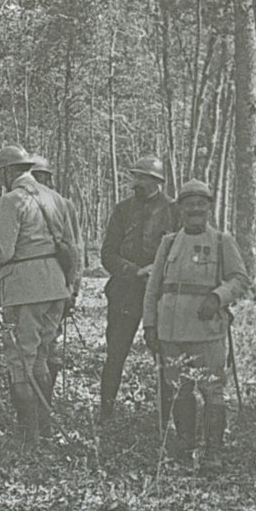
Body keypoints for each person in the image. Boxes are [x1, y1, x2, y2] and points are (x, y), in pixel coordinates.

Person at [142, 180, 250, 474]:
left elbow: (240, 279)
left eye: (201, 203)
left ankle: (213, 452)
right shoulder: (168, 242)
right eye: (189, 203)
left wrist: (217, 297)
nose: (195, 208)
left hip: (206, 331)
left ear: (209, 207)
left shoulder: (221, 241)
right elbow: (154, 288)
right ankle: (185, 446)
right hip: (171, 330)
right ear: (180, 208)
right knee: (178, 390)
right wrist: (150, 325)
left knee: (213, 390)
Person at [0, 143, 71, 445]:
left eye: (0, 174)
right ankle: (43, 427)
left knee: (21, 361)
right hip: (56, 286)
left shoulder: (10, 201)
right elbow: (72, 247)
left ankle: (28, 433)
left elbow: (3, 250)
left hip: (23, 289)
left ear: (7, 172)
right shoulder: (56, 199)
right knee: (42, 356)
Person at [98, 155, 178, 423]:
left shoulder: (174, 210)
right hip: (125, 292)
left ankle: (166, 421)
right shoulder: (122, 211)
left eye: (144, 178)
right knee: (115, 353)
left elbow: (180, 252)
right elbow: (108, 253)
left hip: (161, 295)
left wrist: (156, 272)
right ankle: (105, 413)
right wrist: (133, 271)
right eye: (136, 177)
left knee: (165, 356)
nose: (137, 183)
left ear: (157, 182)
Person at [30, 154, 81, 402]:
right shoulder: (19, 201)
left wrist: (73, 287)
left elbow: (73, 247)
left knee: (48, 346)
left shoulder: (62, 204)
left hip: (57, 284)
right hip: (30, 285)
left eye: (40, 177)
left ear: (48, 179)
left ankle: (44, 402)